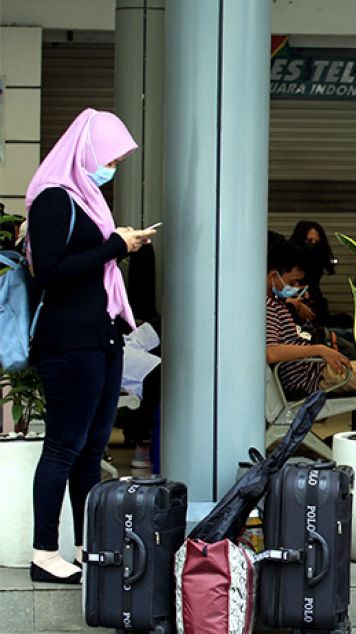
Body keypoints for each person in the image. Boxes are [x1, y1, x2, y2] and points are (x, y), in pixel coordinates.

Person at [24, 109, 155, 584]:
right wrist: (115, 247)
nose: (112, 167)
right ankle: (44, 553)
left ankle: (84, 547)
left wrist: (122, 244)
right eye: (111, 158)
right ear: (86, 152)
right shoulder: (54, 200)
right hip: (68, 341)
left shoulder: (90, 199)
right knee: (63, 446)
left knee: (91, 448)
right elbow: (53, 271)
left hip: (101, 336)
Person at [265, 237, 356, 400]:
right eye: (293, 282)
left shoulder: (276, 302)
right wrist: (319, 350)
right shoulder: (267, 307)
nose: (295, 288)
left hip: (314, 369)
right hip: (311, 377)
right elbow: (271, 351)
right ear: (274, 275)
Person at [288, 220, 336, 326]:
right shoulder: (288, 264)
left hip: (316, 306)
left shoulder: (318, 262)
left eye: (317, 242)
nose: (313, 246)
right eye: (309, 241)